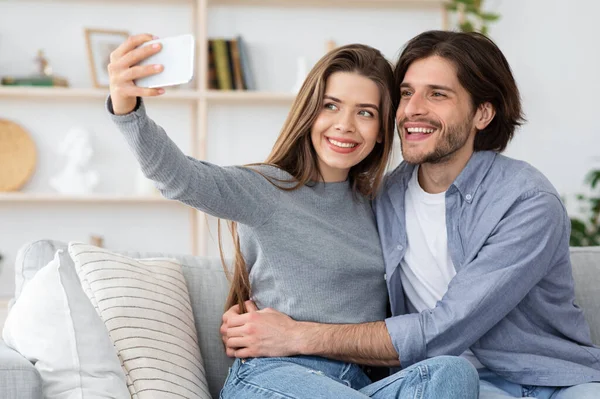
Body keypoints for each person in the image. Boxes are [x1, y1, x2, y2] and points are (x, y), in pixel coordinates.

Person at [220, 30, 600, 399]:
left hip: (557, 380)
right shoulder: (381, 197)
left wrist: (295, 334)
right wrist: (255, 321)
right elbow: (325, 260)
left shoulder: (527, 201)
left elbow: (444, 329)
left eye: (437, 94)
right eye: (406, 93)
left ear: (482, 113)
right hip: (450, 383)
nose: (413, 109)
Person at [106, 34, 479, 399]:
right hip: (276, 375)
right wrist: (127, 108)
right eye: (331, 106)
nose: (345, 125)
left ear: (382, 132)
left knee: (452, 372)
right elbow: (178, 178)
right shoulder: (266, 189)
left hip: (357, 382)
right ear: (309, 112)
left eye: (365, 113)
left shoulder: (382, 205)